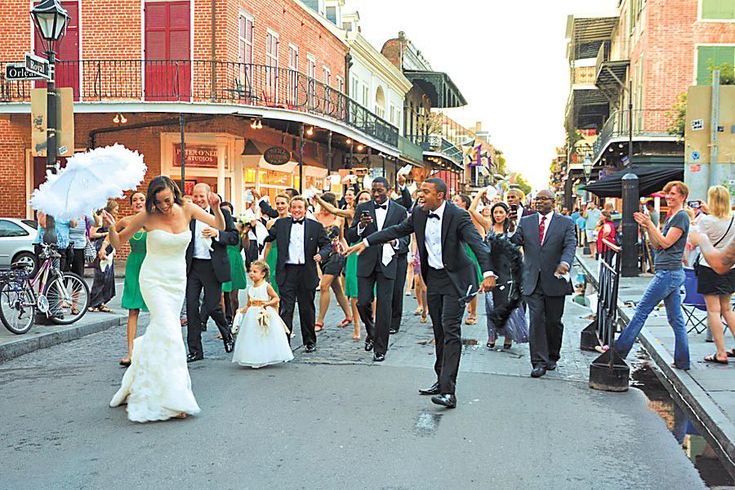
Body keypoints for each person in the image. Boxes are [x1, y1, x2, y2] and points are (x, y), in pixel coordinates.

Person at [345, 178, 496, 409]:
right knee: (439, 330)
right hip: (433, 279)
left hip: (456, 279)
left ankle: (449, 391)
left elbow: (478, 244)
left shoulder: (458, 216)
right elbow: (396, 230)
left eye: (426, 191)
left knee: (450, 330)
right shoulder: (419, 213)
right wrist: (366, 241)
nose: (420, 195)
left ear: (441, 195)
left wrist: (488, 272)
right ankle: (440, 379)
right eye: (420, 191)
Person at [107, 175, 227, 422]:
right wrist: (110, 227)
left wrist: (216, 207)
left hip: (176, 281)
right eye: (159, 202)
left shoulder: (188, 208)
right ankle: (175, 398)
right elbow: (118, 242)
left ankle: (140, 377)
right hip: (153, 280)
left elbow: (220, 225)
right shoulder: (147, 216)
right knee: (171, 333)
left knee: (162, 332)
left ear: (174, 193)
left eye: (167, 200)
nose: (163, 206)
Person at [599, 181, 691, 370]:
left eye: (673, 194)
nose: (669, 197)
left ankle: (618, 351)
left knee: (641, 312)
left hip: (668, 273)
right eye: (668, 194)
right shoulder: (673, 217)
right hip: (669, 271)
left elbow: (664, 243)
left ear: (682, 196)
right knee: (675, 319)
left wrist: (649, 224)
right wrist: (648, 227)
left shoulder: (681, 217)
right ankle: (683, 360)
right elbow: (657, 244)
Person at [511, 189, 576, 378]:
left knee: (553, 322)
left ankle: (552, 356)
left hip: (555, 279)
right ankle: (538, 361)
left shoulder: (566, 223)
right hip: (532, 280)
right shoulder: (526, 222)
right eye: (536, 200)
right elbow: (516, 240)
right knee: (537, 319)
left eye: (543, 199)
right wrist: (510, 225)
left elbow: (570, 245)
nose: (539, 202)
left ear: (553, 202)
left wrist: (565, 262)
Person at [346, 177, 408, 362]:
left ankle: (380, 348)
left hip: (388, 262)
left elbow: (406, 240)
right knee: (362, 302)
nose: (375, 194)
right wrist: (360, 226)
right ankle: (371, 331)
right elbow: (350, 235)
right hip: (366, 261)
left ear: (389, 190)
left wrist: (394, 241)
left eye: (380, 190)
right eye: (373, 190)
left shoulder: (400, 211)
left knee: (384, 306)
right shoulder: (362, 208)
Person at [265, 196, 332, 352]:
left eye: (299, 207)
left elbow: (327, 244)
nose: (296, 210)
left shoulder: (315, 226)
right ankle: (283, 343)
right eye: (293, 207)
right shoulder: (280, 224)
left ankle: (309, 341)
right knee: (286, 308)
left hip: (306, 271)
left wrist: (321, 254)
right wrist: (252, 226)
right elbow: (269, 236)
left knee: (306, 307)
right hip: (287, 270)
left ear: (305, 209)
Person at [185, 183, 239, 362]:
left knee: (212, 305)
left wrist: (217, 233)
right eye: (195, 196)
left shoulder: (222, 214)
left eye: (202, 196)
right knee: (192, 308)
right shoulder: (189, 215)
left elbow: (233, 237)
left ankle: (227, 334)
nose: (199, 200)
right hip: (193, 266)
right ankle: (195, 350)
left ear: (210, 196)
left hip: (213, 266)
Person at [687, 186, 735, 364]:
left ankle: (721, 352)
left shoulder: (705, 221)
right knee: (727, 308)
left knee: (713, 311)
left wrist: (693, 219)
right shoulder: (733, 219)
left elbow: (693, 241)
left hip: (709, 267)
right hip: (730, 266)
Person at [481, 202, 529, 350]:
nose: (498, 215)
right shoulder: (489, 228)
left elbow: (520, 251)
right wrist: (481, 192)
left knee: (509, 305)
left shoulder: (513, 230)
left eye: (501, 212)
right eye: (496, 212)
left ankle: (509, 337)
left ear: (506, 214)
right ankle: (491, 336)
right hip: (492, 272)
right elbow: (471, 210)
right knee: (491, 305)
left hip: (509, 273)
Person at [231, 260, 293, 368]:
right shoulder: (250, 289)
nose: (251, 274)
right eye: (250, 271)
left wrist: (267, 303)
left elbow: (276, 298)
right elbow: (249, 304)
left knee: (264, 334)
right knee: (253, 335)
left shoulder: (266, 286)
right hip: (252, 314)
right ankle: (254, 357)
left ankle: (265, 356)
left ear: (263, 274)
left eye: (255, 271)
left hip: (264, 313)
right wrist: (241, 310)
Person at [312, 192, 352, 332]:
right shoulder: (315, 217)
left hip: (336, 254)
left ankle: (320, 321)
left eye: (325, 205)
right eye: (321, 205)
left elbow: (341, 238)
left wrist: (348, 251)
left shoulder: (338, 217)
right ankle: (348, 315)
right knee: (336, 288)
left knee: (324, 286)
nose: (323, 208)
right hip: (322, 255)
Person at [118, 192, 148, 367]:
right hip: (134, 265)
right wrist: (105, 247)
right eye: (135, 200)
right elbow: (111, 235)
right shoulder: (127, 221)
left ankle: (157, 351)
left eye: (141, 199)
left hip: (152, 265)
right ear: (131, 205)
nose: (138, 202)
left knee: (157, 310)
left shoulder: (154, 220)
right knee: (133, 309)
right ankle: (130, 352)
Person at [453, 193, 483, 325]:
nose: (454, 202)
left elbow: (478, 232)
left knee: (471, 282)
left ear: (464, 202)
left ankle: (473, 313)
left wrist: (480, 193)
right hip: (456, 249)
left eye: (457, 200)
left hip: (468, 249)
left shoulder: (467, 214)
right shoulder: (451, 214)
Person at [220, 201, 248, 326]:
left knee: (234, 297)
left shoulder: (237, 226)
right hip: (222, 260)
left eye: (228, 211)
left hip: (235, 261)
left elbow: (246, 246)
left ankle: (236, 319)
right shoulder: (217, 227)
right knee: (221, 296)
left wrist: (246, 232)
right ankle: (225, 322)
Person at [88, 200, 119, 313]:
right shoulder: (102, 218)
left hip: (110, 249)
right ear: (110, 209)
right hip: (100, 247)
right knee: (100, 277)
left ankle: (102, 302)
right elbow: (91, 234)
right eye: (116, 209)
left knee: (108, 277)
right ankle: (93, 303)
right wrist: (106, 234)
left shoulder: (113, 220)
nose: (117, 211)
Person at [262, 194, 291, 295]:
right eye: (277, 203)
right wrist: (264, 262)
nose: (280, 206)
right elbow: (268, 244)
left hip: (288, 254)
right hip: (273, 254)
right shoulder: (270, 223)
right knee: (273, 283)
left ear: (288, 205)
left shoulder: (293, 221)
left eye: (282, 203)